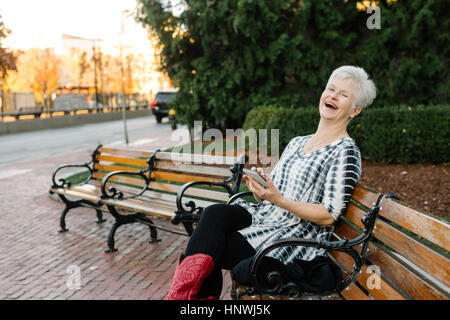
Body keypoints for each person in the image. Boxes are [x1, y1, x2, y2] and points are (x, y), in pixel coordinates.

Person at [166, 65, 377, 300]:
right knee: (214, 215)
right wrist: (260, 189)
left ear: (355, 110)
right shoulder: (298, 142)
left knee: (212, 245)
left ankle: (185, 300)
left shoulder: (344, 151)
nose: (333, 96)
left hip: (292, 236)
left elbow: (329, 215)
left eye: (344, 95)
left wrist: (278, 199)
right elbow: (271, 193)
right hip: (265, 216)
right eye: (331, 89)